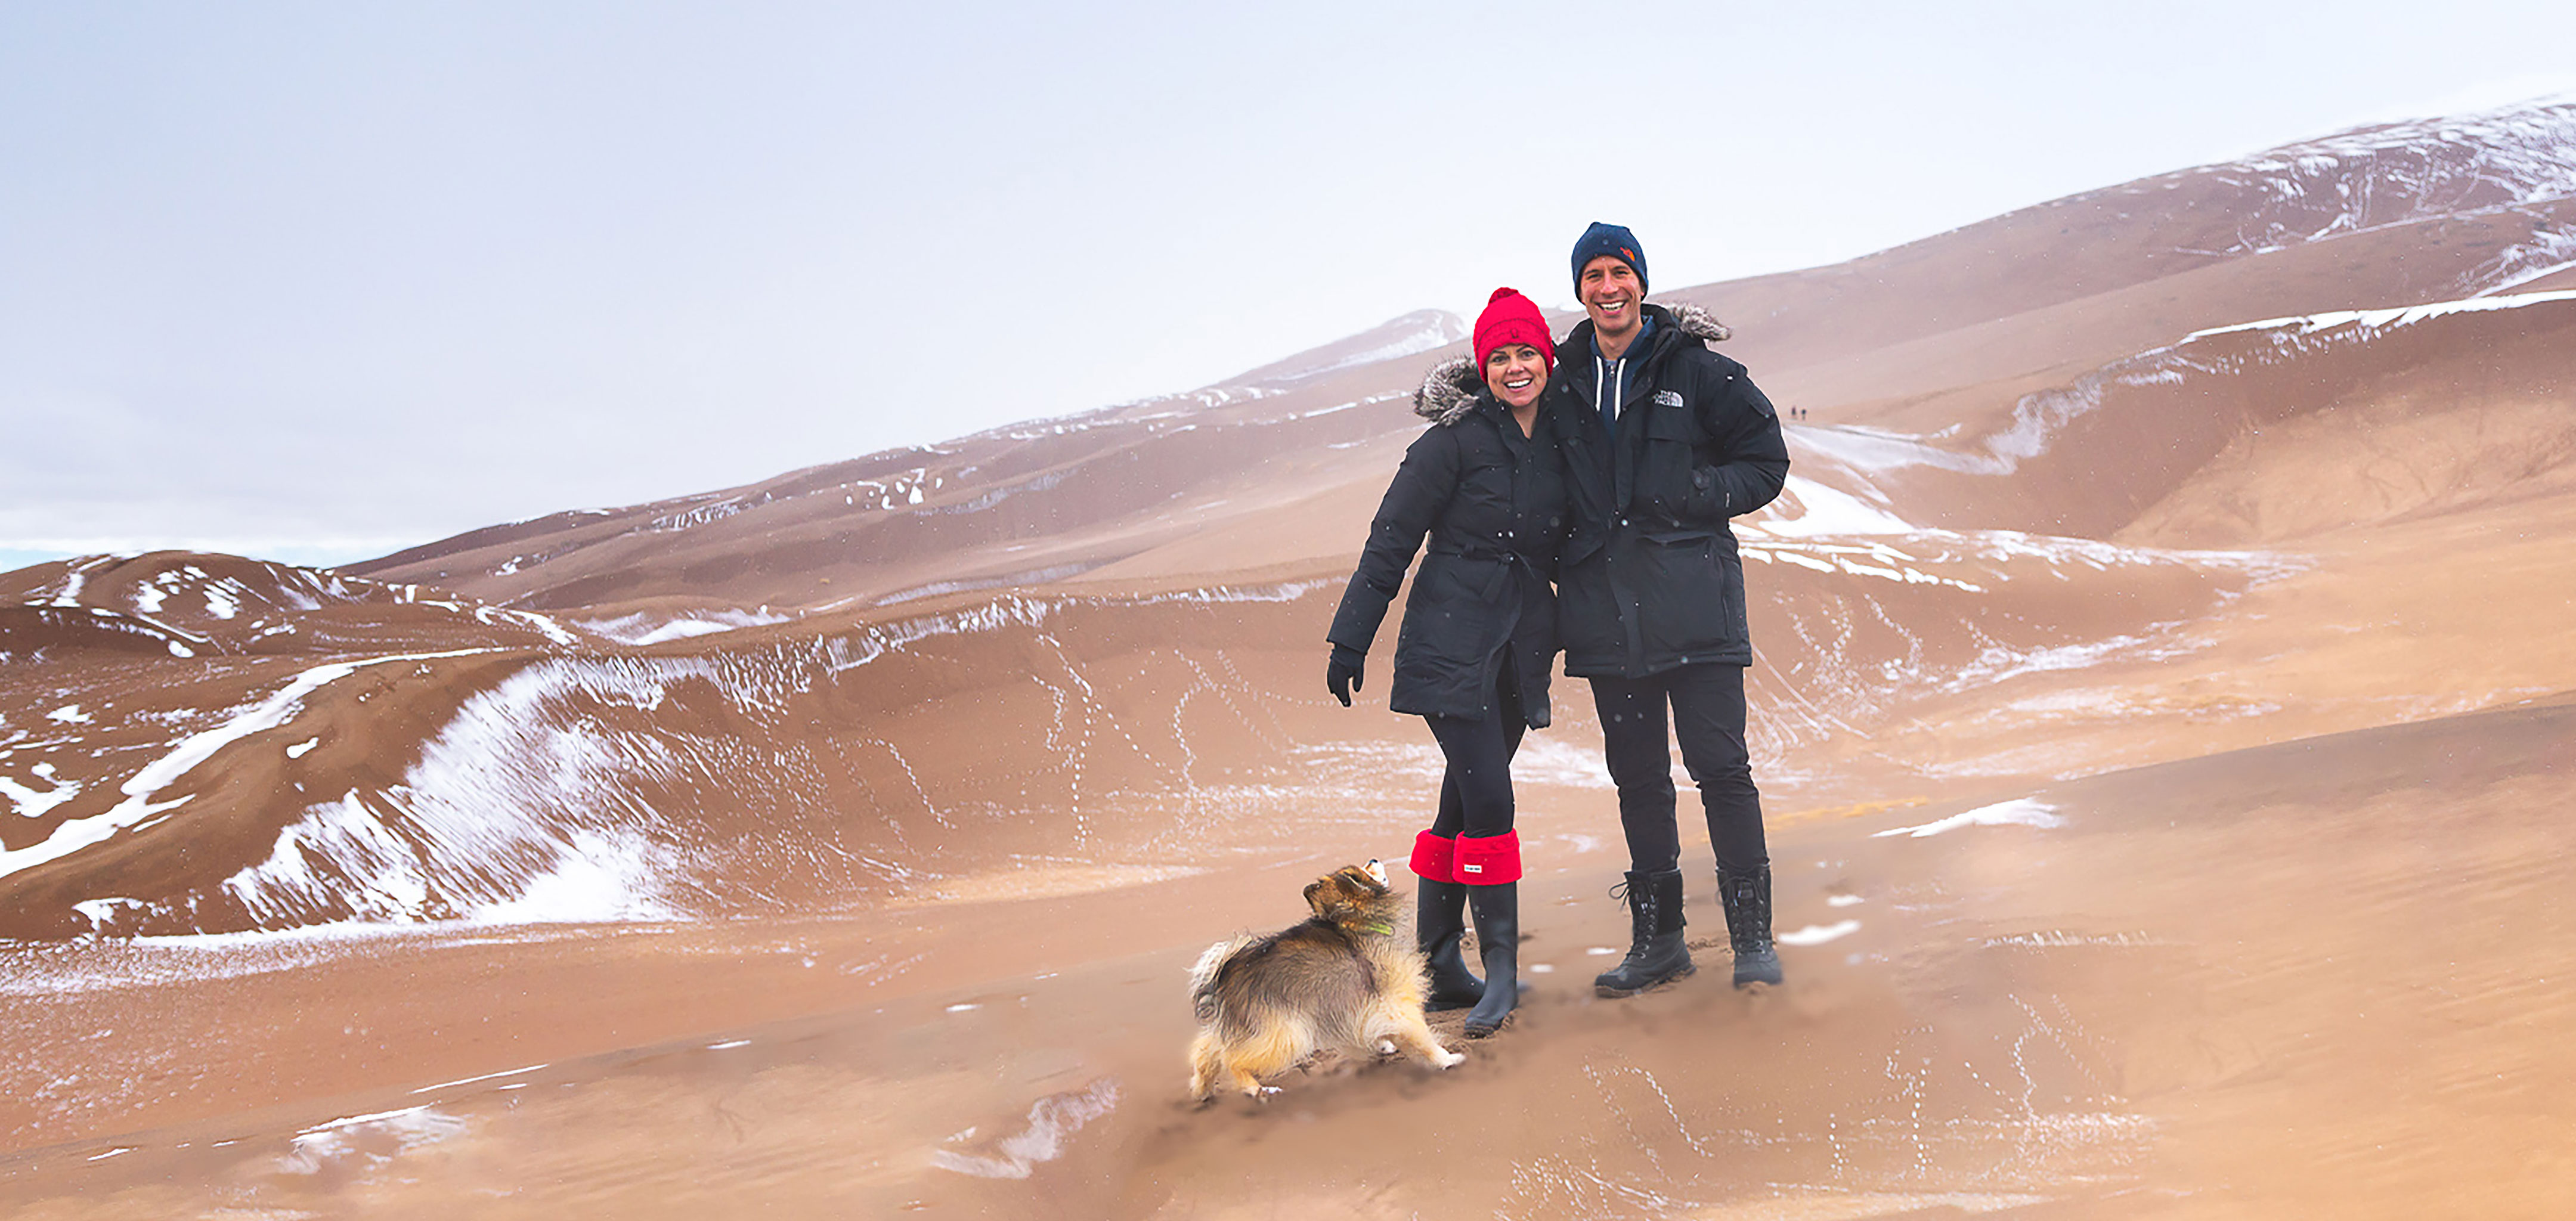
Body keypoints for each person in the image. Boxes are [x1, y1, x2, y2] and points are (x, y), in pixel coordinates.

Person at [1543, 222, 1791, 994]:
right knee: (1638, 780)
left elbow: (1767, 462)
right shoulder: (1559, 381)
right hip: (1607, 620)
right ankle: (1660, 943)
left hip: (1696, 610)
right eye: (1594, 276)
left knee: (1722, 769)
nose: (1608, 288)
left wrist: (1697, 495)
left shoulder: (1702, 372)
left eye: (1620, 272)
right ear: (1580, 289)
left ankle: (1753, 939)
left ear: (1641, 283)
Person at [1326, 287, 1569, 1039]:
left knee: (1462, 803)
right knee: (1491, 801)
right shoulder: (1449, 445)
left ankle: (1434, 965)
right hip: (1450, 641)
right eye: (1499, 356)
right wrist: (1350, 638)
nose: (1515, 367)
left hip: (1521, 643)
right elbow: (1391, 537)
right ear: (1482, 368)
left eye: (1527, 351)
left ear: (1547, 359)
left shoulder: (1565, 437)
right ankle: (1498, 970)